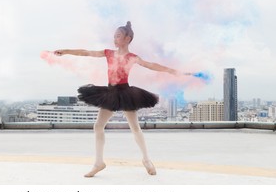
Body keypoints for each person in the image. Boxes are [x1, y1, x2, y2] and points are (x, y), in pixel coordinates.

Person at [54, 21, 182, 178]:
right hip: (110, 92)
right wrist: (65, 51)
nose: (115, 39)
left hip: (126, 92)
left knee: (135, 128)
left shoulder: (132, 57)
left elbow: (151, 65)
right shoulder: (108, 53)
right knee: (98, 126)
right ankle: (98, 163)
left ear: (127, 38)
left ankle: (147, 160)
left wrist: (172, 71)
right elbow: (86, 52)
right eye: (114, 36)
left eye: (118, 36)